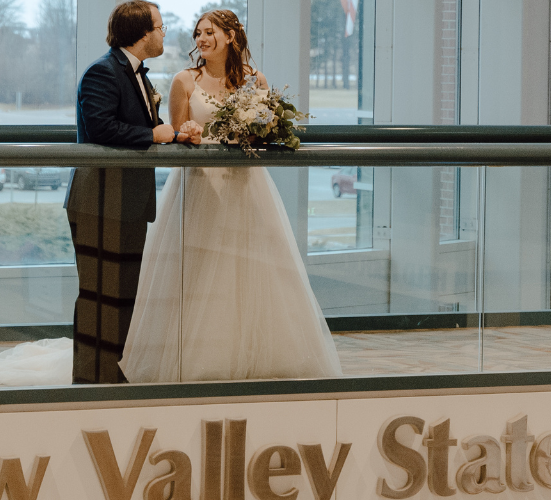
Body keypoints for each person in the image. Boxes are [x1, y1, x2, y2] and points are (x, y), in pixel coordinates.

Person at [117, 10, 343, 382]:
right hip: (201, 185)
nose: (201, 39)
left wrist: (260, 131)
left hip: (245, 185)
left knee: (253, 269)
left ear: (231, 37)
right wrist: (186, 130)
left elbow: (265, 134)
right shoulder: (184, 81)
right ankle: (198, 360)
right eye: (198, 33)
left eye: (210, 32)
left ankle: (262, 357)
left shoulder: (255, 80)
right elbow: (174, 134)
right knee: (200, 271)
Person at [57, 0, 202, 385]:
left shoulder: (138, 74)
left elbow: (150, 127)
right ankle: (89, 381)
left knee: (123, 292)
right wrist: (151, 133)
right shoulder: (102, 73)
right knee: (97, 293)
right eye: (159, 27)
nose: (163, 34)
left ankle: (114, 374)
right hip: (100, 200)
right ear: (141, 33)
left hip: (128, 201)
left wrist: (177, 133)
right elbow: (102, 129)